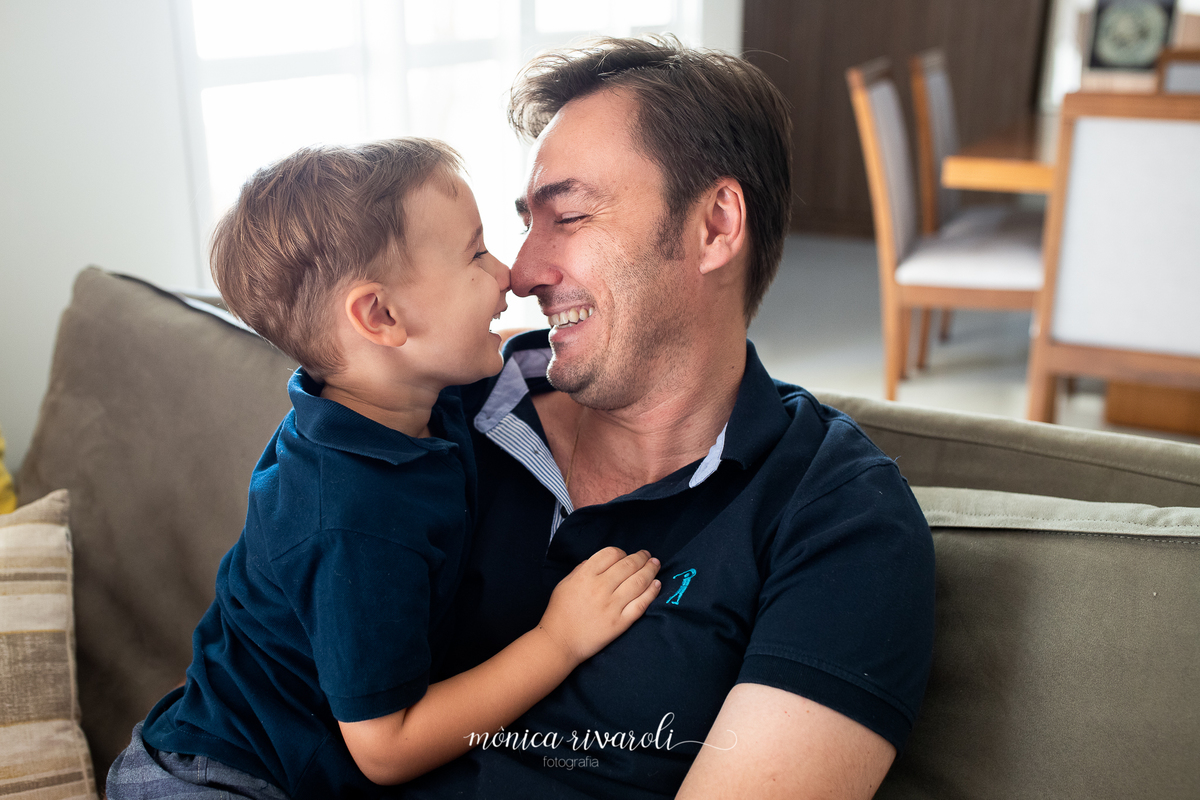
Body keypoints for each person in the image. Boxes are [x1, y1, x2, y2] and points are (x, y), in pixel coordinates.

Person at [401, 37, 937, 800]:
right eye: (528, 222)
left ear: (716, 226)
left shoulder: (839, 520)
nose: (520, 273)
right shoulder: (429, 412)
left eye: (572, 215)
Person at [106, 138, 662, 799]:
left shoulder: (416, 402)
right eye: (475, 254)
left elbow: (533, 362)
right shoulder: (349, 515)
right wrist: (559, 640)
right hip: (210, 780)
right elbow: (387, 748)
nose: (508, 274)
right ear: (381, 316)